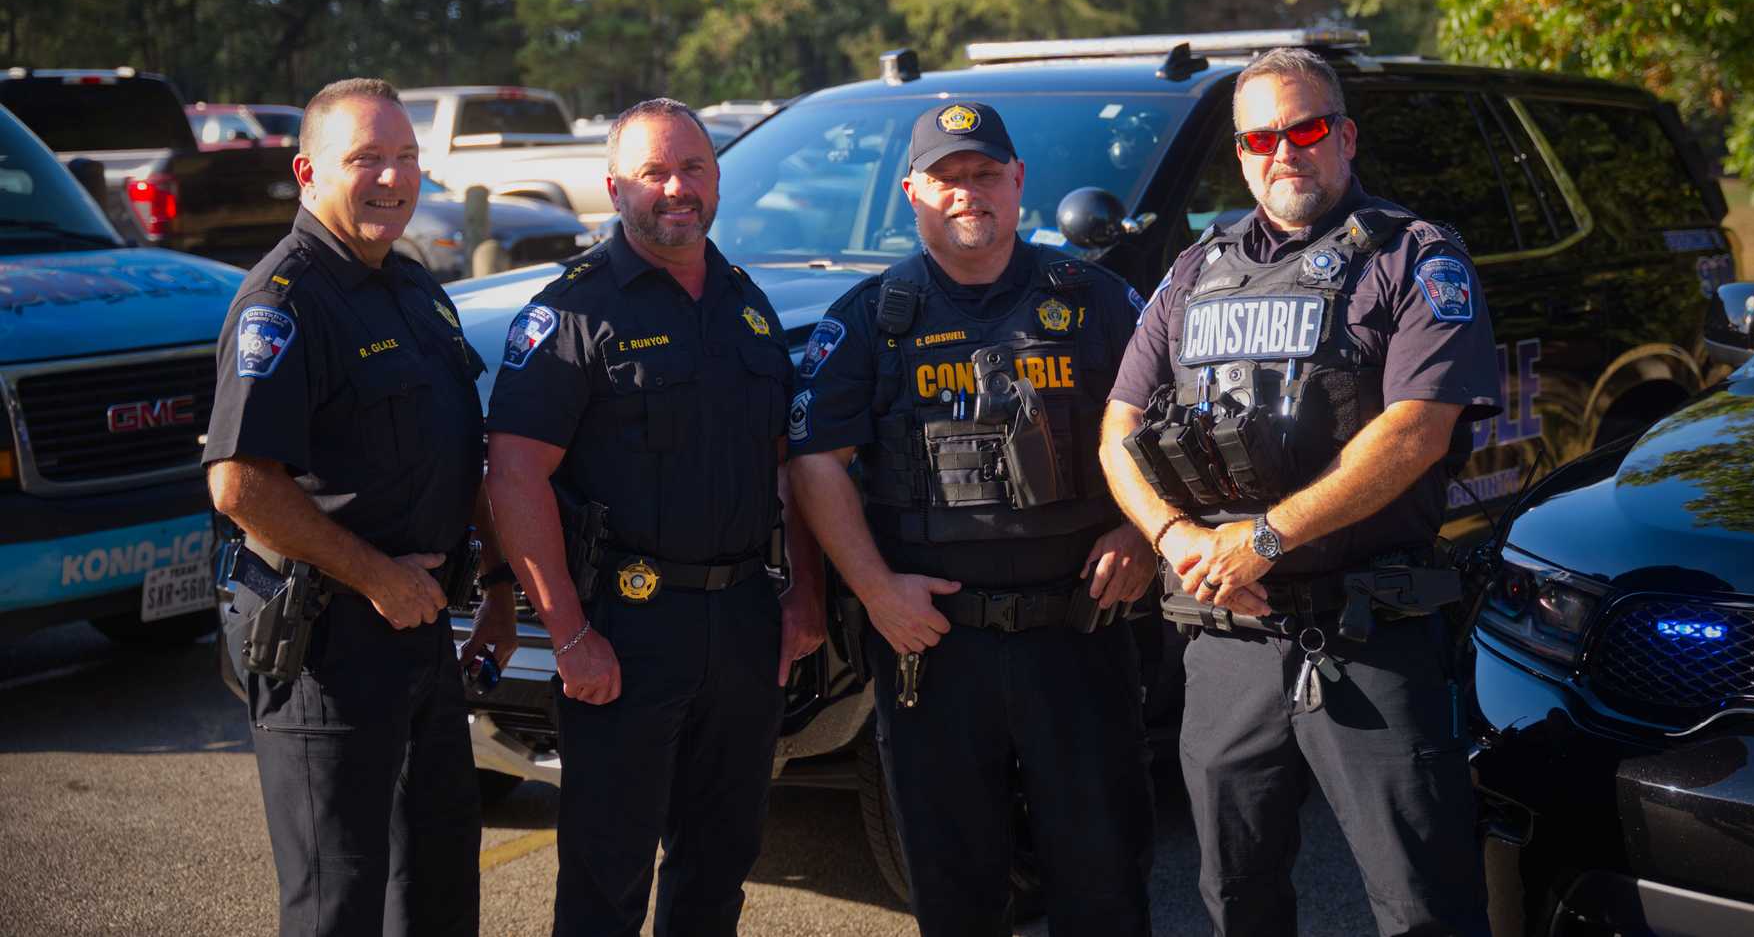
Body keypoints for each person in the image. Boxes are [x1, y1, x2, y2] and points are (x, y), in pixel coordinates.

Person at [1099, 47, 1499, 937]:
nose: (1283, 151)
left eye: (1305, 128)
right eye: (1259, 137)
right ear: (1240, 154)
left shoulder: (1414, 256)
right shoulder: (1196, 270)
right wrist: (1173, 539)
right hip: (1227, 635)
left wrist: (1265, 537)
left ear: (1345, 136)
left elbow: (1417, 429)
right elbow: (1119, 424)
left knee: (1423, 902)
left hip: (1368, 631)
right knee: (1236, 896)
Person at [788, 100, 1156, 937]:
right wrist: (876, 590)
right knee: (955, 893)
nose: (967, 192)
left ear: (1018, 181)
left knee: (1104, 885)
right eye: (946, 178)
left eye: (985, 173)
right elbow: (814, 463)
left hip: (1079, 635)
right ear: (912, 193)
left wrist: (1143, 534)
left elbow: (1166, 428)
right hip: (933, 650)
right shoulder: (871, 318)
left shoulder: (1095, 301)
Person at [482, 98, 825, 937]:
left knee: (720, 861)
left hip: (744, 618)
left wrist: (805, 596)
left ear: (717, 179)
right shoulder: (572, 314)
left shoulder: (745, 301)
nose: (676, 188)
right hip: (626, 627)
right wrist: (567, 633)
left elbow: (789, 467)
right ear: (614, 189)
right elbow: (514, 476)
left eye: (692, 168)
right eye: (653, 173)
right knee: (607, 874)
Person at [206, 76, 512, 937]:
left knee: (439, 888)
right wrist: (379, 578)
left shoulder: (414, 288)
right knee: (335, 904)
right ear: (308, 172)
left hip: (421, 634)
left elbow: (463, 450)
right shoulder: (283, 302)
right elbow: (240, 485)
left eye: (407, 156)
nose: (393, 177)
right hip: (327, 648)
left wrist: (497, 588)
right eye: (366, 158)